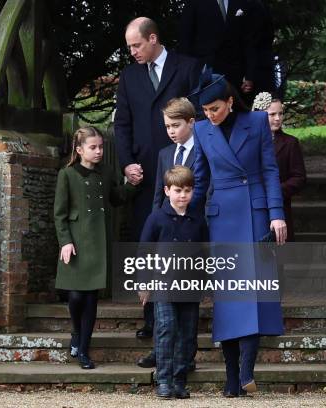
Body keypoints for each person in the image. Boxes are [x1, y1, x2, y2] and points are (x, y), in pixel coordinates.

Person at [190, 71, 286, 397]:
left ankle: (247, 369)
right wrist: (188, 219)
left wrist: (276, 215)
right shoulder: (202, 131)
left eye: (214, 108)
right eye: (204, 110)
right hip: (222, 220)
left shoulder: (257, 122)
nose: (209, 115)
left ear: (230, 101)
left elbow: (270, 171)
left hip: (256, 214)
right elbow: (200, 181)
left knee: (253, 296)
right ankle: (232, 377)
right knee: (229, 299)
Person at [114, 16, 200, 339]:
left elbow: (199, 117)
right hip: (144, 175)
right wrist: (126, 164)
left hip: (183, 170)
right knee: (149, 244)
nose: (132, 51)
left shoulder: (188, 67)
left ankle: (186, 318)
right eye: (129, 46)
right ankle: (153, 321)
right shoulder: (129, 76)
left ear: (153, 39)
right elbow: (122, 123)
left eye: (136, 45)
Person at [54, 126, 138, 370]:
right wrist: (65, 242)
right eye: (93, 147)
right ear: (79, 150)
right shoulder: (66, 175)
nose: (99, 151)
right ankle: (76, 332)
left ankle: (84, 350)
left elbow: (116, 197)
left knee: (90, 298)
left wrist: (133, 185)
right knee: (76, 295)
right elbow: (59, 214)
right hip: (76, 242)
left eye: (101, 147)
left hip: (98, 242)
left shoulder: (106, 172)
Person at [137, 97, 198, 370]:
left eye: (175, 125)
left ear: (191, 122)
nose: (171, 131)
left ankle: (186, 357)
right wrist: (155, 220)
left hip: (191, 228)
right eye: (167, 126)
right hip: (165, 231)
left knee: (187, 305)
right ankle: (161, 352)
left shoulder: (203, 150)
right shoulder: (164, 154)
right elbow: (157, 197)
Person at [138, 166, 208, 399]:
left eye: (187, 190)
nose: (183, 195)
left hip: (190, 287)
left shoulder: (197, 220)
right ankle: (164, 379)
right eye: (178, 190)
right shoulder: (156, 218)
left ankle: (179, 380)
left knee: (187, 334)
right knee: (167, 329)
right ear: (167, 191)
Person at [252, 92, 306, 241]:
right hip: (251, 208)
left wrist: (274, 191)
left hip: (279, 209)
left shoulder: (290, 143)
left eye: (280, 113)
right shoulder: (247, 142)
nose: (278, 118)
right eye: (272, 114)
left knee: (277, 259)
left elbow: (299, 178)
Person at [178, 0, 258, 99]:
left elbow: (249, 42)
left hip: (235, 74)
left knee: (233, 109)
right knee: (206, 110)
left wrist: (249, 76)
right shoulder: (195, 2)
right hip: (203, 72)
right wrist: (185, 75)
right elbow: (185, 39)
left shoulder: (242, 2)